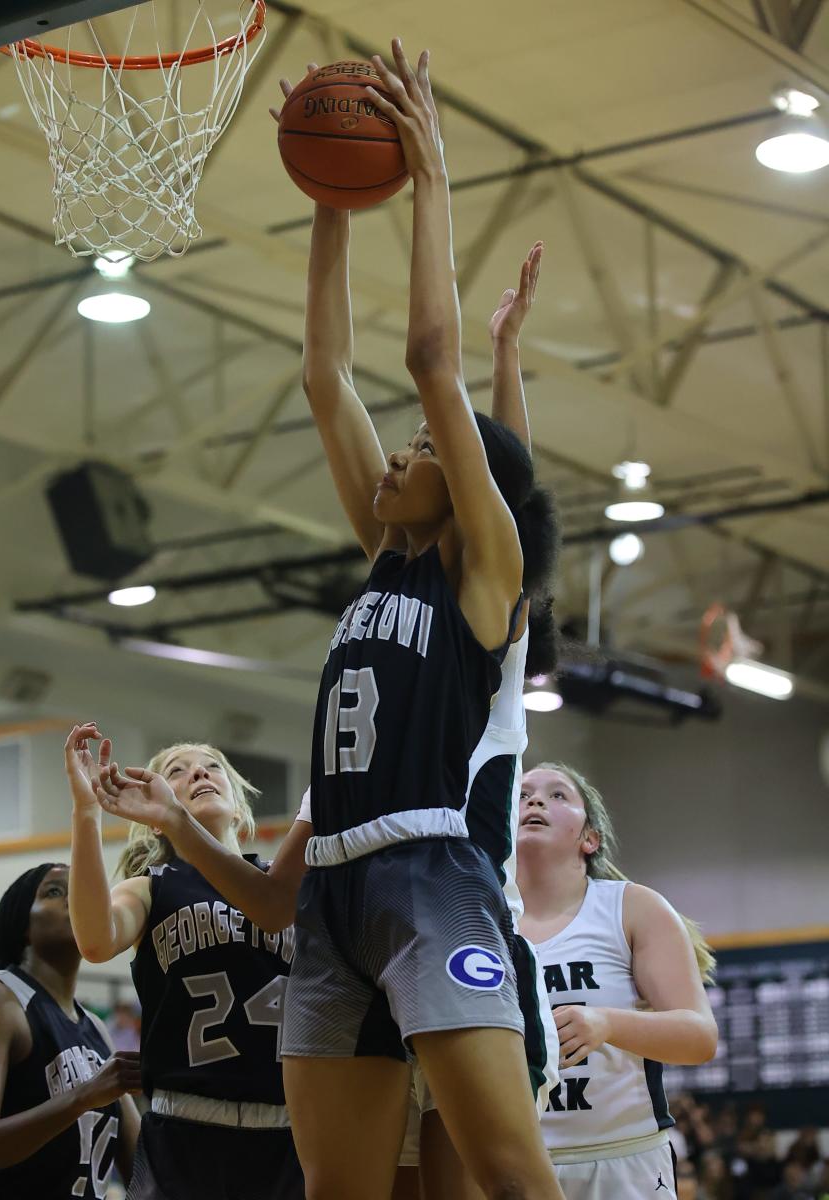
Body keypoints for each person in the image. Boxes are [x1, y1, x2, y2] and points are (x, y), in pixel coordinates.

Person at [93, 38, 564, 1200]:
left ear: (465, 487)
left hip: (435, 877)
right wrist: (332, 201)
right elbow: (324, 373)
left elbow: (424, 361)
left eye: (419, 447)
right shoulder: (384, 566)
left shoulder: (479, 582)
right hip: (337, 894)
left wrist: (430, 176)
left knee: (503, 1176)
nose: (399, 451)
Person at [65, 726, 304, 1200]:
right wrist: (86, 811)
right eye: (177, 772)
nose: (198, 771)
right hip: (185, 1127)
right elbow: (94, 941)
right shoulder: (151, 887)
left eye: (212, 767)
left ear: (239, 807)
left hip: (291, 1127)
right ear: (154, 816)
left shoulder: (282, 885)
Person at [516, 763, 718, 1200]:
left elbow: (700, 1037)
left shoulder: (632, 908)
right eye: (522, 793)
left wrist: (607, 1024)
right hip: (514, 1164)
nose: (534, 801)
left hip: (623, 1160)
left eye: (557, 795)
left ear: (590, 838)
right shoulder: (476, 915)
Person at [0, 864, 141, 1200]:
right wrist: (83, 1097)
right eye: (55, 891)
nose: (75, 899)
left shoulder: (94, 1026)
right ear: (23, 923)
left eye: (81, 890)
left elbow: (141, 1164)